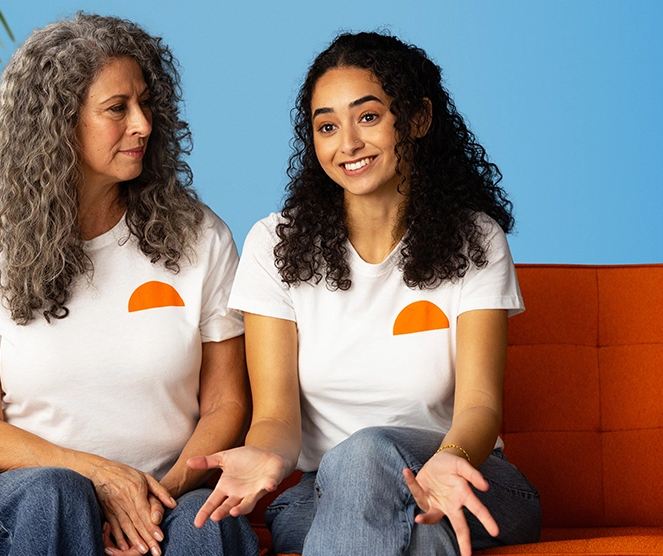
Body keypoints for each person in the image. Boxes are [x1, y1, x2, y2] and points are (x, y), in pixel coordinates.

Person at [187, 32, 542, 556]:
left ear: (418, 119)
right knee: (413, 526)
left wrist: (449, 458)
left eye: (368, 117)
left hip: (467, 472)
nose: (347, 144)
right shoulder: (274, 245)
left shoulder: (476, 238)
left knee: (368, 450)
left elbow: (481, 404)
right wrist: (264, 453)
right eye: (327, 126)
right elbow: (277, 417)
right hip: (319, 495)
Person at [0, 13, 259, 556]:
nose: (144, 125)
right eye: (117, 109)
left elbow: (226, 402)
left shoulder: (201, 237)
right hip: (28, 491)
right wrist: (98, 477)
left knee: (209, 529)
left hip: (167, 489)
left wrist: (160, 494)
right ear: (57, 123)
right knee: (59, 496)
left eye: (147, 103)